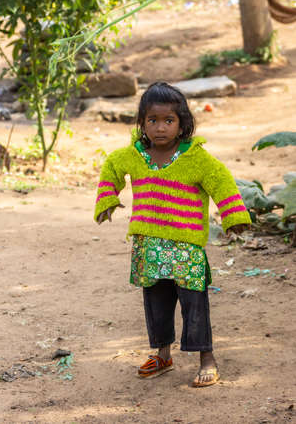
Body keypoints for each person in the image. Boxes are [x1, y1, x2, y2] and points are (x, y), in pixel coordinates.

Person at [95, 82, 251, 387]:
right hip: (149, 246)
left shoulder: (196, 157)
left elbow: (221, 181)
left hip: (186, 247)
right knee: (156, 302)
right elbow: (111, 167)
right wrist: (107, 199)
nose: (160, 128)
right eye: (152, 120)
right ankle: (163, 354)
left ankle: (207, 358)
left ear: (182, 124)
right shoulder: (135, 155)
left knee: (194, 302)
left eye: (169, 120)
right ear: (142, 123)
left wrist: (233, 215)